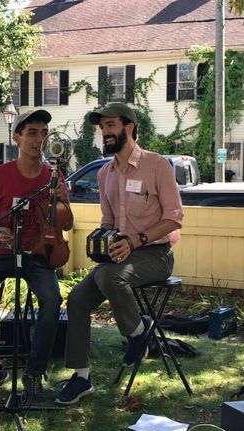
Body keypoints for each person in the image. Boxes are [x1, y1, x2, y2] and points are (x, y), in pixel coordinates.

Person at [55, 102, 183, 405]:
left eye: (110, 125)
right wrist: (103, 243)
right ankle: (82, 377)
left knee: (112, 277)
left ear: (130, 127)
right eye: (102, 128)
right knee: (77, 299)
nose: (105, 133)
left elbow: (174, 217)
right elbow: (109, 222)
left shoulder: (157, 165)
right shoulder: (105, 174)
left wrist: (136, 240)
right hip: (121, 258)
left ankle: (138, 333)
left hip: (156, 254)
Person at [0, 109, 73, 400]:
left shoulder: (54, 176)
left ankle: (34, 373)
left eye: (44, 133)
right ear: (17, 137)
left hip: (39, 253)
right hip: (1, 252)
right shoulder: (0, 174)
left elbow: (67, 223)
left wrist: (61, 199)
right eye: (32, 133)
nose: (39, 139)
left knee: (52, 300)